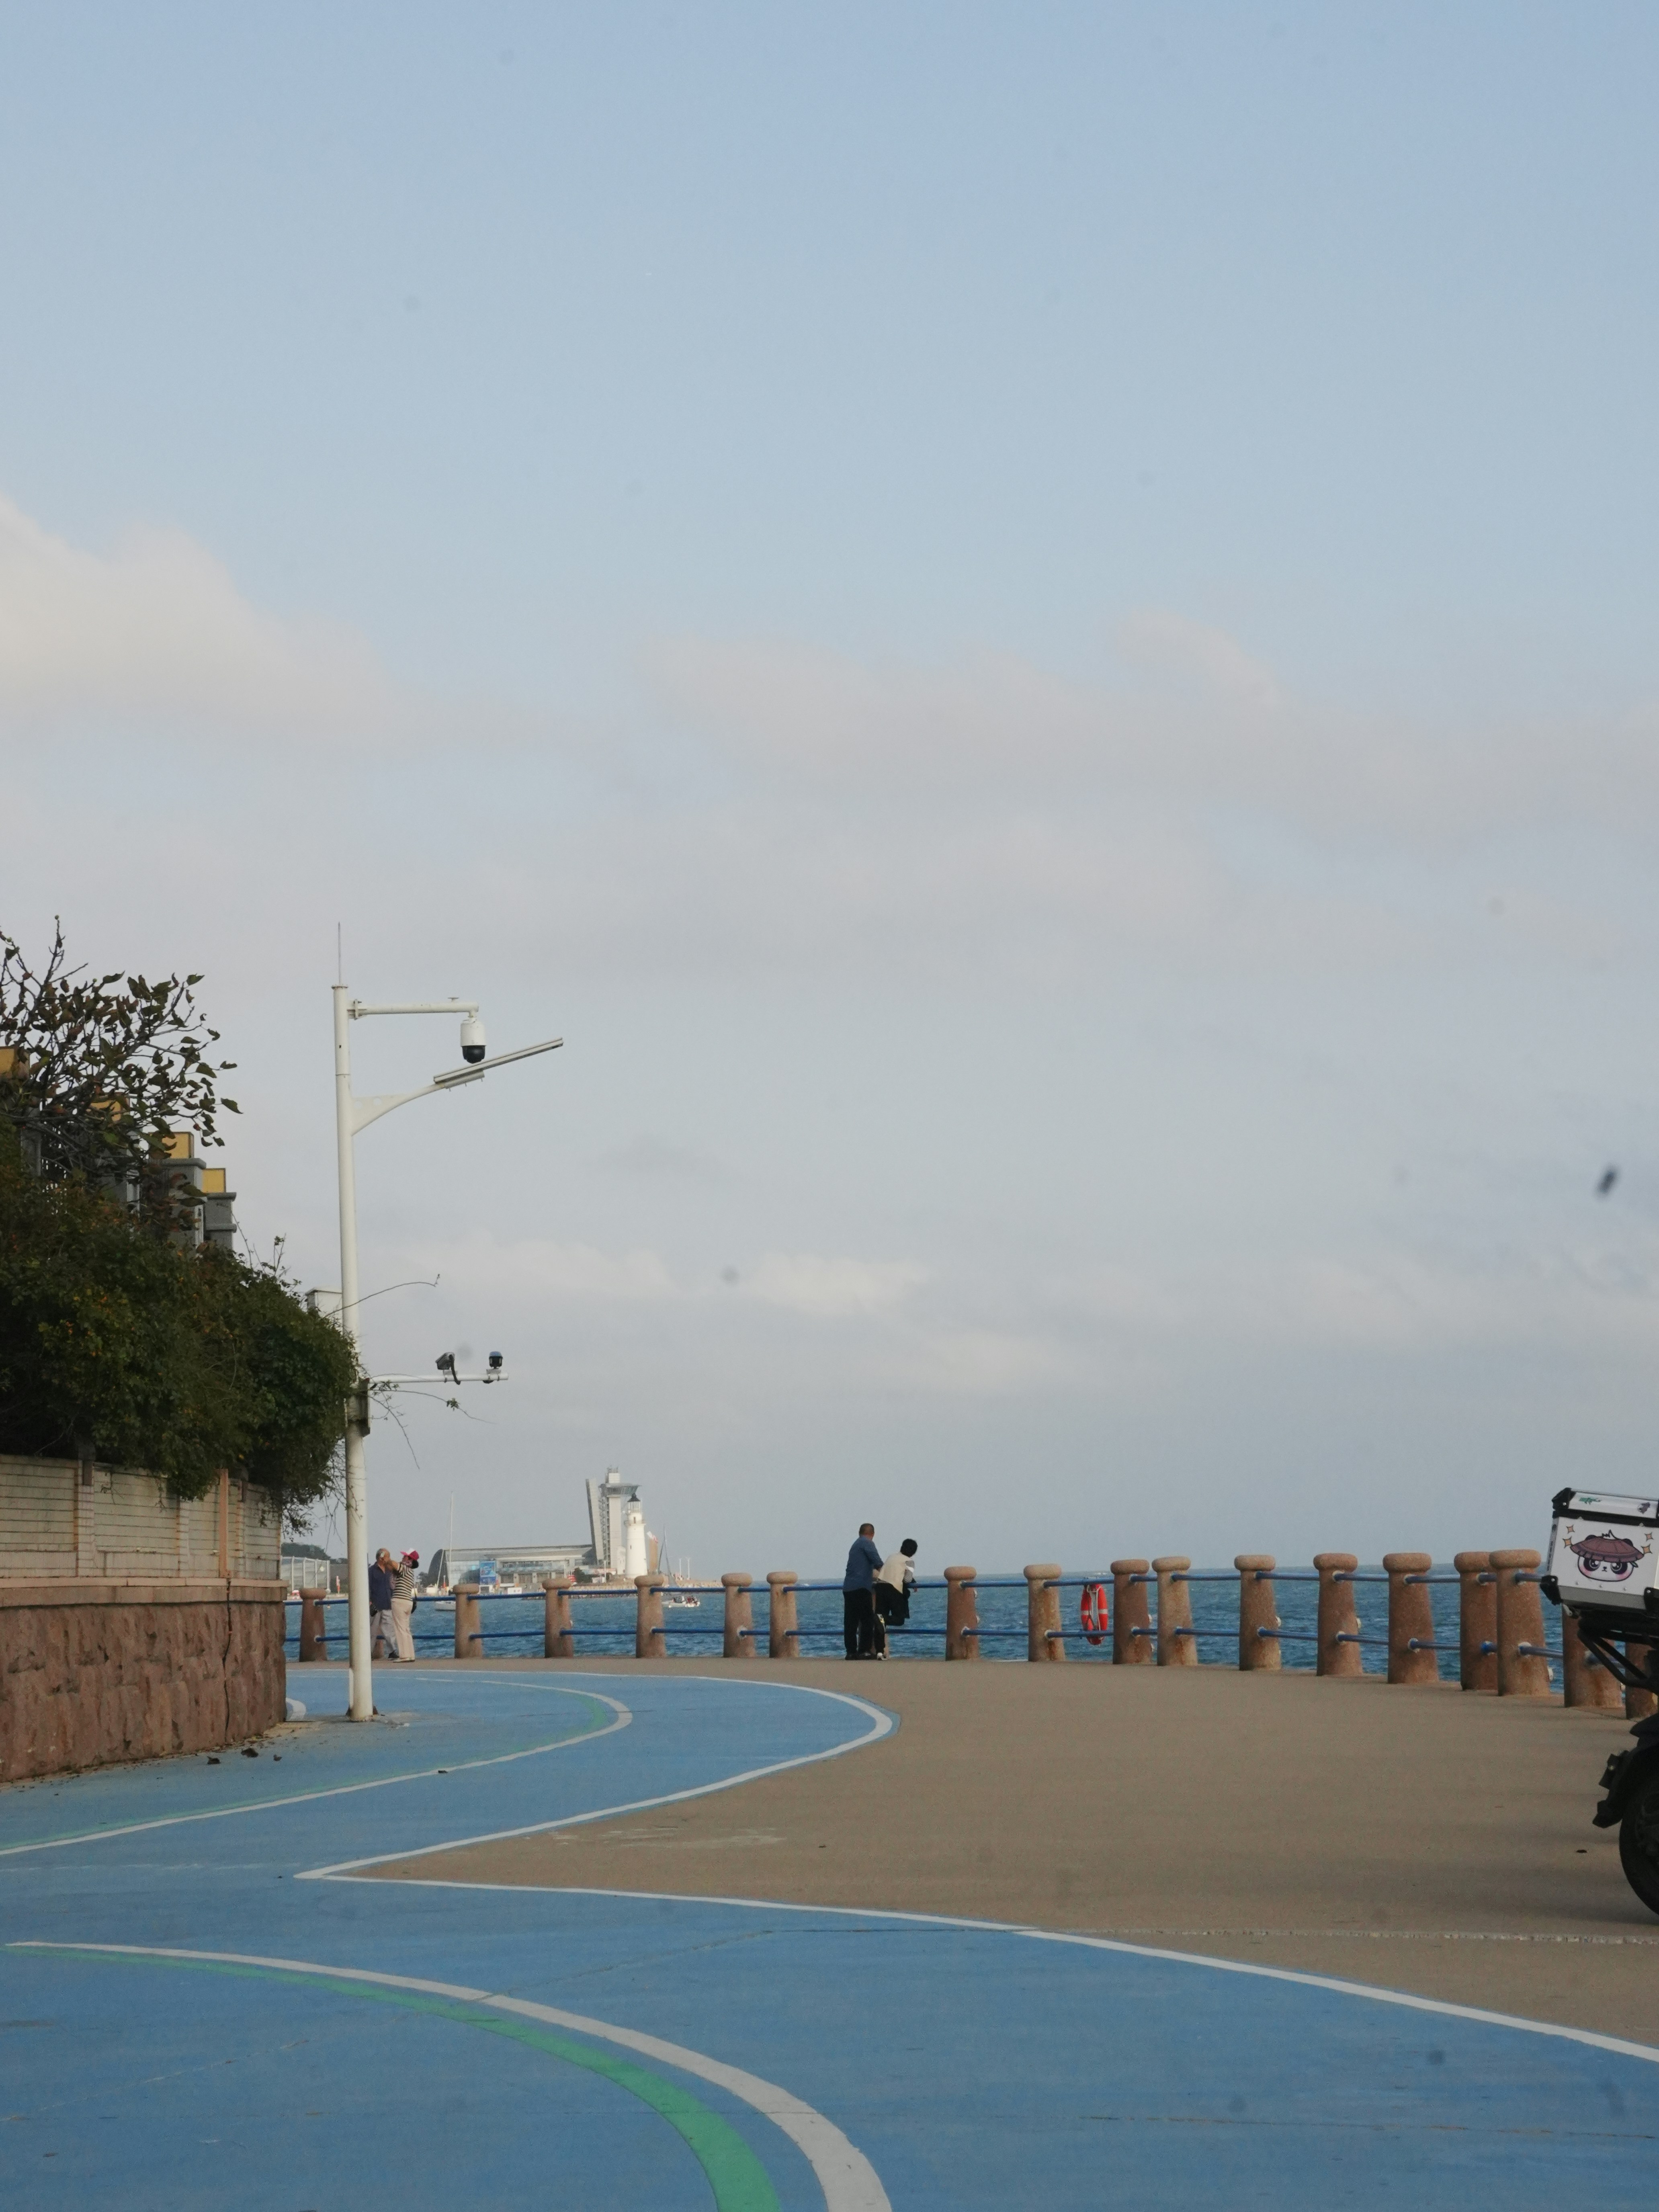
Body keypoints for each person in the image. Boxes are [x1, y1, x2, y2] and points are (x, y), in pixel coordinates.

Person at [872, 1538, 919, 1657]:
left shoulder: (891, 1557)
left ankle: (880, 1652)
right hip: (894, 1589)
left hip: (880, 1587)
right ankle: (882, 1619)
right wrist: (912, 1580)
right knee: (899, 1619)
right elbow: (907, 1579)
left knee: (880, 1623)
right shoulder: (910, 1562)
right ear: (913, 1552)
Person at [842, 1522, 882, 1659]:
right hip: (861, 1587)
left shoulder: (855, 1545)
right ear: (872, 1534)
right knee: (867, 1620)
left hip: (848, 1587)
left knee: (851, 1621)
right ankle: (864, 1650)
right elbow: (877, 1562)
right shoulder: (868, 1543)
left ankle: (851, 1652)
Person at [389, 1549, 420, 1661]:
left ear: (410, 1560)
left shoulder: (404, 1569)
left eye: (406, 1557)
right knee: (406, 1629)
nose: (403, 1558)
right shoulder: (411, 1572)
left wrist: (386, 1557)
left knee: (400, 1629)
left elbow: (394, 1565)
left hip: (399, 1601)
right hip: (408, 1602)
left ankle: (404, 1655)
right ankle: (410, 1654)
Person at [369, 1548, 397, 1661]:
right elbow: (368, 1586)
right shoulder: (371, 1571)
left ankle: (392, 1651)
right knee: (372, 1631)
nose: (389, 1559)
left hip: (388, 1603)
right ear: (381, 1558)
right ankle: (368, 1653)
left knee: (389, 1630)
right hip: (375, 1604)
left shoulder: (390, 1571)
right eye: (387, 1557)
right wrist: (370, 1601)